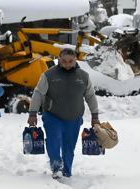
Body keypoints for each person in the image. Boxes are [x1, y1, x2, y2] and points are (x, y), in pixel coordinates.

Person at [27, 48, 100, 179]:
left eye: (70, 61)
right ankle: (56, 166)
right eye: (64, 61)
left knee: (69, 146)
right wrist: (32, 113)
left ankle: (67, 171)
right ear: (59, 60)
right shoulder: (48, 75)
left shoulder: (83, 76)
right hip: (52, 115)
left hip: (74, 117)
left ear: (75, 60)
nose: (67, 64)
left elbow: (90, 96)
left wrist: (95, 116)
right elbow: (38, 93)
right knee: (53, 140)